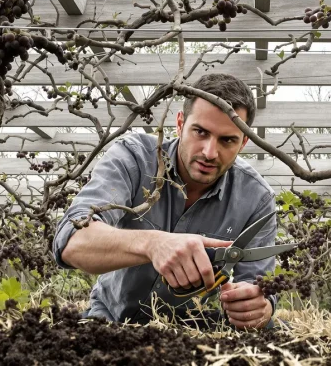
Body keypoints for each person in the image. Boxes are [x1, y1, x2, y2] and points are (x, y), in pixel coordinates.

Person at [53, 73, 278, 329]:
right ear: (180, 124)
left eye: (227, 140)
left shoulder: (257, 199)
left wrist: (257, 308)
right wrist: (153, 244)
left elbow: (260, 287)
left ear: (244, 142)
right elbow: (71, 243)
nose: (209, 152)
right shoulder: (134, 158)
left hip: (192, 329)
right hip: (110, 320)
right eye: (200, 132)